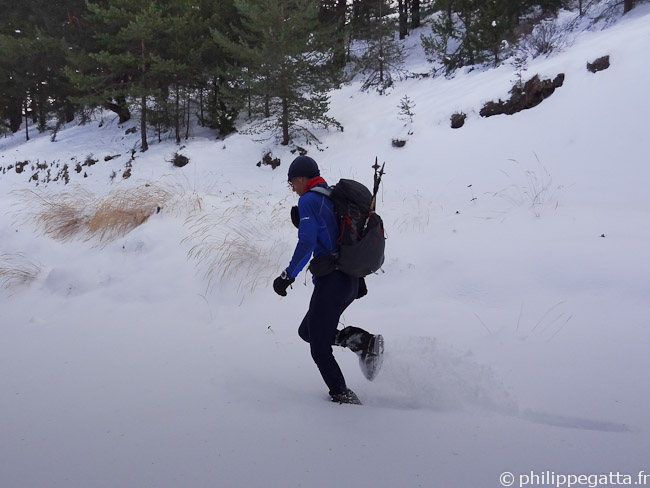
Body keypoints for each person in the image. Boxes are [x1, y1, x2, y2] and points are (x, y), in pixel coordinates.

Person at [273, 155, 383, 405]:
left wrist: (287, 276)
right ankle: (360, 342)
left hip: (332, 281)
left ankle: (342, 394)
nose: (292, 188)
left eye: (292, 182)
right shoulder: (332, 196)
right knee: (307, 331)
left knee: (319, 347)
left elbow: (307, 242)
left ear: (302, 178)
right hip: (349, 281)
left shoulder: (309, 200)